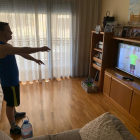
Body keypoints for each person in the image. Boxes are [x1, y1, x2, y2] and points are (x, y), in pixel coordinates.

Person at [0, 22, 51, 135]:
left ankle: (15, 113)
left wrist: (35, 60)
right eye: (9, 30)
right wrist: (40, 48)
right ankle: (13, 128)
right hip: (9, 81)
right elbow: (23, 49)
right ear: (2, 33)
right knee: (10, 103)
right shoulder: (2, 47)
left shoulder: (7, 46)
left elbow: (22, 53)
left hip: (12, 79)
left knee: (12, 101)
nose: (11, 32)